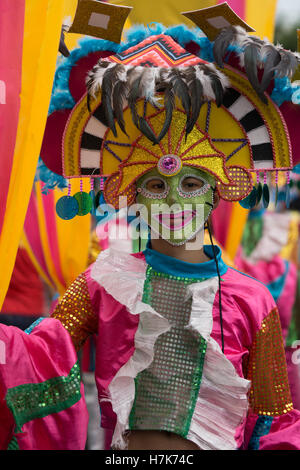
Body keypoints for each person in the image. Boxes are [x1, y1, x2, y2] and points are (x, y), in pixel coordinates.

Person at [1, 6, 300, 451]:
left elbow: (273, 422)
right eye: (157, 184)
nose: (176, 199)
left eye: (192, 183)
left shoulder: (252, 301)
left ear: (220, 190)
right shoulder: (104, 282)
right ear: (131, 195)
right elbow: (39, 359)